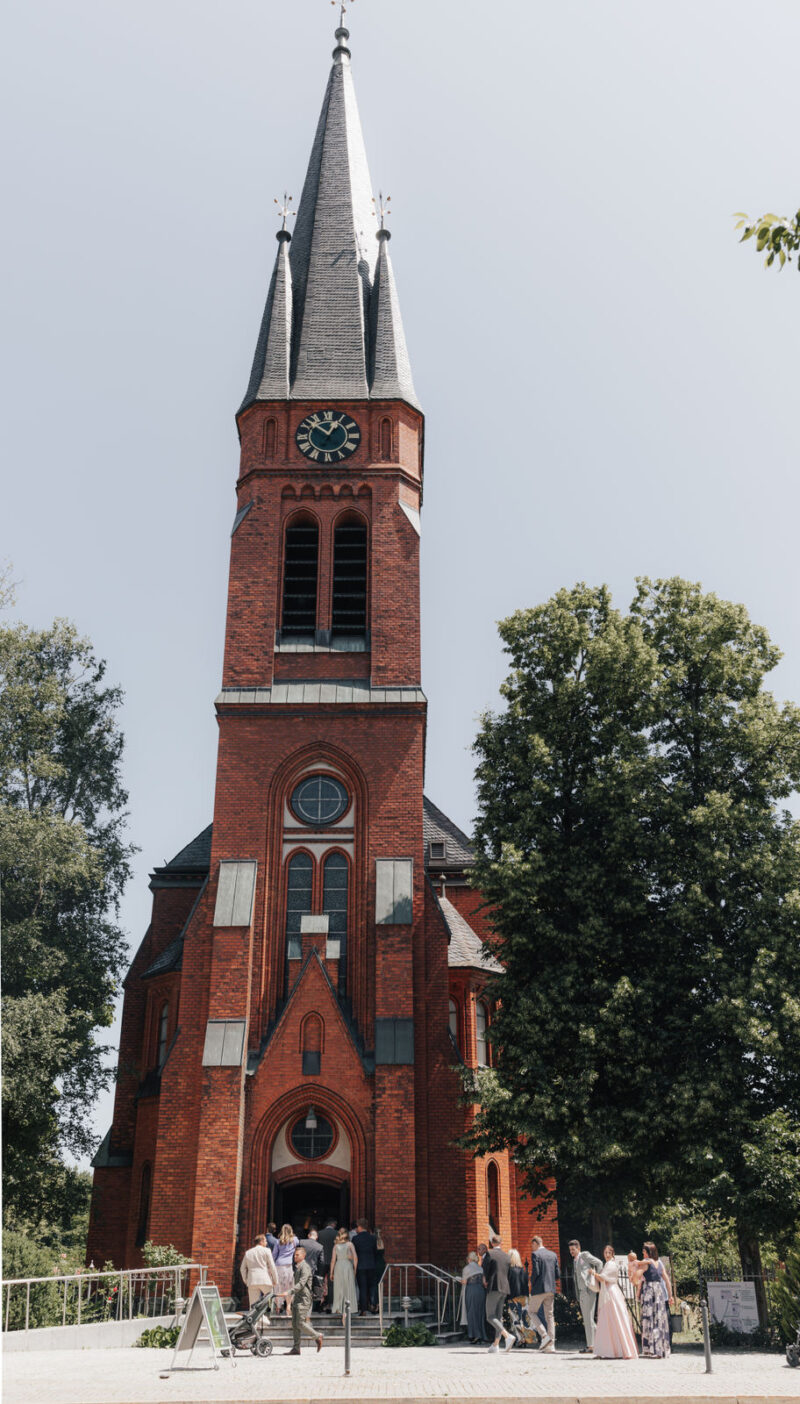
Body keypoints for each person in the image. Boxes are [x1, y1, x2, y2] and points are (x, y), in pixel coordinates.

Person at [590, 1244, 638, 1359]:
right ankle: (608, 1350)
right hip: (607, 1292)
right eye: (605, 1252)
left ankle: (618, 1350)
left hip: (611, 1294)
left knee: (614, 1320)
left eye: (609, 1253)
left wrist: (593, 1273)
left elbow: (603, 1278)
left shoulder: (611, 1264)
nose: (607, 1255)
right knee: (608, 1321)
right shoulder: (608, 1264)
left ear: (613, 1254)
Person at [282, 1246, 323, 1355]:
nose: (295, 1257)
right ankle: (296, 1348)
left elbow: (301, 1283)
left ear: (303, 1256)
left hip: (304, 1298)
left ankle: (317, 1336)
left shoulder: (305, 1267)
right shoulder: (298, 1267)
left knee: (300, 1323)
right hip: (298, 1297)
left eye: (297, 1255)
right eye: (294, 1255)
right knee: (295, 1324)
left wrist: (289, 1292)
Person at [635, 1241, 671, 1358]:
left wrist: (634, 1272)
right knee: (659, 1319)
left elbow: (637, 1276)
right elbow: (667, 1280)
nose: (643, 1253)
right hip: (659, 1292)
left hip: (649, 1292)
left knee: (648, 1318)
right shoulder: (659, 1263)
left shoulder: (646, 1262)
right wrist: (670, 1296)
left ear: (648, 1252)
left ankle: (650, 1348)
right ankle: (660, 1349)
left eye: (644, 1252)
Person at [482, 1234, 515, 1353]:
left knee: (490, 1316)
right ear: (501, 1243)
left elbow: (485, 1269)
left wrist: (485, 1279)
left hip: (494, 1287)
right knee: (498, 1316)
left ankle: (507, 1336)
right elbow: (509, 1273)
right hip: (504, 1288)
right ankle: (496, 1344)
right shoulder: (507, 1256)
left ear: (491, 1243)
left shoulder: (489, 1254)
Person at [568, 1239, 603, 1353]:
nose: (571, 1251)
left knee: (588, 1319)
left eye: (573, 1249)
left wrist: (598, 1277)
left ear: (578, 1248)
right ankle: (600, 1342)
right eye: (570, 1250)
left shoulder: (584, 1255)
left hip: (588, 1291)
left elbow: (599, 1263)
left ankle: (591, 1346)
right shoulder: (575, 1261)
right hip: (581, 1293)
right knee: (588, 1319)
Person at [529, 1234, 560, 1352]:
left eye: (532, 1245)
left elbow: (536, 1272)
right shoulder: (553, 1255)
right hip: (551, 1289)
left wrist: (531, 1282)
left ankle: (544, 1335)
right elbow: (557, 1274)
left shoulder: (535, 1254)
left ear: (536, 1243)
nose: (532, 1248)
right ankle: (551, 1345)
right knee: (550, 1316)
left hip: (539, 1289)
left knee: (531, 1312)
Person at [240, 1233, 278, 1308]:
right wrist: (275, 1280)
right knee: (269, 1302)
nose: (266, 1243)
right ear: (261, 1241)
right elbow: (272, 1266)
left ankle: (255, 1316)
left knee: (253, 1306)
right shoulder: (267, 1251)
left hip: (252, 1280)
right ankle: (267, 1314)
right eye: (265, 1241)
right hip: (265, 1280)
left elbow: (242, 1268)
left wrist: (246, 1280)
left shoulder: (248, 1252)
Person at [330, 1226, 358, 1322]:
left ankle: (340, 1308)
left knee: (339, 1288)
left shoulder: (335, 1246)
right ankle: (347, 1311)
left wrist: (331, 1272)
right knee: (348, 1287)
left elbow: (333, 1260)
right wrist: (355, 1269)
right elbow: (355, 1257)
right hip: (347, 1266)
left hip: (338, 1266)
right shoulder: (350, 1244)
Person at [351, 1219, 378, 1314]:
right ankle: (373, 1305)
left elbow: (354, 1254)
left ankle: (363, 1310)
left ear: (359, 1226)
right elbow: (375, 1252)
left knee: (362, 1288)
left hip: (360, 1266)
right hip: (371, 1265)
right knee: (372, 1286)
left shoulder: (355, 1238)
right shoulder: (373, 1238)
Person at [507, 1249, 533, 1345]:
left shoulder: (509, 1271)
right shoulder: (523, 1270)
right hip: (523, 1297)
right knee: (523, 1319)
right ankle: (525, 1339)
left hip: (513, 1297)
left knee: (515, 1319)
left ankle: (519, 1339)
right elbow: (526, 1285)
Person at [461, 1251, 488, 1343]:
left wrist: (459, 1280)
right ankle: (482, 1334)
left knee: (471, 1312)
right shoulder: (480, 1268)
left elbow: (464, 1281)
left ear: (469, 1259)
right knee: (480, 1312)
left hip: (471, 1290)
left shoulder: (466, 1268)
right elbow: (484, 1282)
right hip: (481, 1291)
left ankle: (475, 1335)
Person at [273, 1223, 299, 1316]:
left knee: (278, 1286)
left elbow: (274, 1255)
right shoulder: (295, 1240)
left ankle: (278, 1306)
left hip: (279, 1265)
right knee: (289, 1287)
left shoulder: (278, 1241)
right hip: (288, 1266)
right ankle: (288, 1306)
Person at [299, 1228, 325, 1307]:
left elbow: (296, 1255)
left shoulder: (301, 1242)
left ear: (308, 1235)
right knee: (310, 1289)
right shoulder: (320, 1247)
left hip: (300, 1268)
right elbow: (322, 1262)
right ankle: (308, 1307)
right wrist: (320, 1273)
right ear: (316, 1237)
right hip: (312, 1270)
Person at [317, 1218, 337, 1312]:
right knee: (331, 1283)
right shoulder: (337, 1233)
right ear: (333, 1224)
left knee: (320, 1282)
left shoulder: (320, 1233)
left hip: (322, 1261)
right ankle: (330, 1304)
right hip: (333, 1261)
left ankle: (319, 1303)